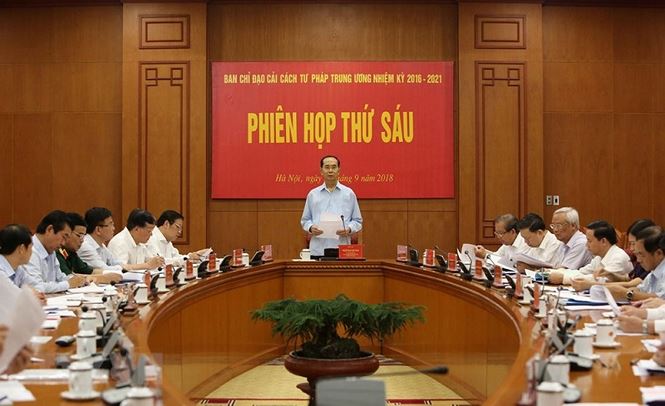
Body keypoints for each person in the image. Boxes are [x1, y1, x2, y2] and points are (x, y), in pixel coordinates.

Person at [301, 155, 362, 258]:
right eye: (327, 167)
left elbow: (358, 221)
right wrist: (311, 228)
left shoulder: (349, 194)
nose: (330, 171)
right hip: (318, 249)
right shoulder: (313, 194)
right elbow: (305, 220)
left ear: (339, 171)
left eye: (334, 167)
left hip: (342, 249)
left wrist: (349, 229)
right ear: (321, 171)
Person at [21, 210, 87, 293]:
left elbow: (60, 277)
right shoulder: (30, 250)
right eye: (64, 237)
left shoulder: (51, 250)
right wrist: (68, 284)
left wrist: (77, 280)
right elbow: (37, 287)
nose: (63, 243)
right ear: (50, 229)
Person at [79, 207, 161, 273]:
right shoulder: (86, 246)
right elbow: (105, 270)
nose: (113, 228)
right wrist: (147, 265)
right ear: (98, 230)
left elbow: (116, 263)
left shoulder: (101, 246)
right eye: (110, 225)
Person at [549, 220, 632, 285]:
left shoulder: (618, 257)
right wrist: (554, 273)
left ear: (603, 241)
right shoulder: (599, 257)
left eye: (589, 241)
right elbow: (582, 272)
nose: (586, 245)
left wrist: (563, 278)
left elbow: (600, 280)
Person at [56, 213, 121, 284]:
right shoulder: (57, 252)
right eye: (79, 235)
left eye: (83, 236)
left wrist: (112, 274)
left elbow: (90, 271)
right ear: (67, 233)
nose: (82, 240)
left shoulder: (71, 252)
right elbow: (69, 278)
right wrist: (103, 277)